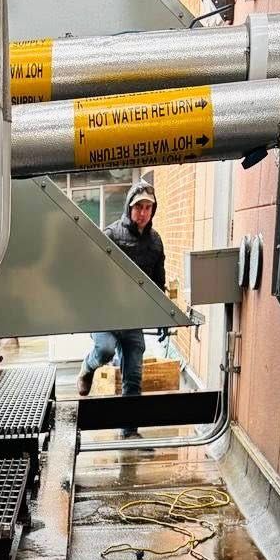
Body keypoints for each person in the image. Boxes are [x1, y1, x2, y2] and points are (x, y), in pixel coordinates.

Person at [77, 181, 166, 438]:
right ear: (130, 207)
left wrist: (161, 314)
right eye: (139, 206)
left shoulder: (155, 242)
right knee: (104, 350)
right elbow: (91, 274)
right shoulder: (112, 235)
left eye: (149, 207)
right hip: (105, 314)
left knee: (134, 378)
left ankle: (129, 431)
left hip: (133, 318)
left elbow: (158, 282)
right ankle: (87, 368)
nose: (143, 212)